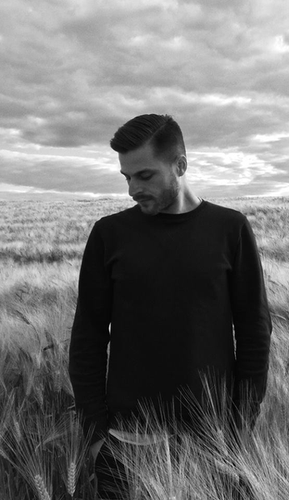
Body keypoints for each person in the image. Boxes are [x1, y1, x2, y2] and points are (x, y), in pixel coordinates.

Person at [69, 113, 272, 498]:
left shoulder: (230, 229)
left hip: (212, 441)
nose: (133, 189)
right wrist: (96, 436)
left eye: (144, 176)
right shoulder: (109, 235)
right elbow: (87, 338)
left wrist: (239, 430)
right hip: (127, 441)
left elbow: (254, 333)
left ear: (180, 165)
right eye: (127, 177)